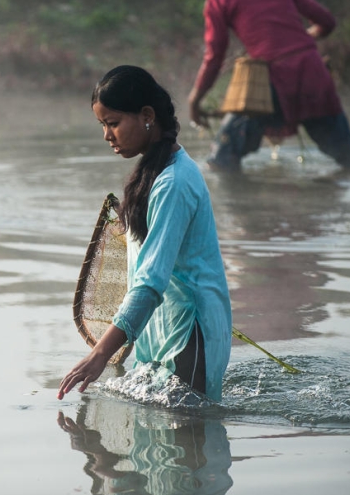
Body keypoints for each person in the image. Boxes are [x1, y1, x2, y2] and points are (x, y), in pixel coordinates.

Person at [58, 66, 232, 402]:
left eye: (113, 123)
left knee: (187, 442)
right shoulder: (152, 176)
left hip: (187, 336)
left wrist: (99, 355)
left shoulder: (174, 183)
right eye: (103, 125)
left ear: (147, 116)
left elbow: (150, 284)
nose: (107, 135)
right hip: (160, 329)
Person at [187, 0, 350, 173]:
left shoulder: (219, 0)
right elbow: (327, 22)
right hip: (314, 72)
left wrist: (194, 99)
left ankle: (235, 206)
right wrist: (301, 41)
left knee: (221, 159)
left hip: (273, 82)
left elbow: (215, 55)